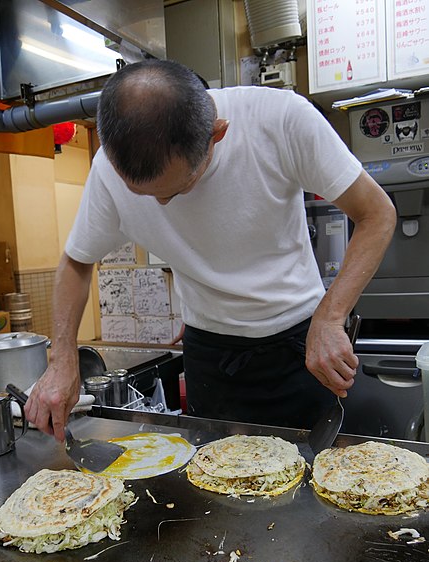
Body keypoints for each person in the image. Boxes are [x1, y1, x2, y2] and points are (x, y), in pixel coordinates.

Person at [25, 59, 396, 442]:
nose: (164, 204)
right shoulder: (106, 171)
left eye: (178, 188)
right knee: (212, 487)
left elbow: (377, 214)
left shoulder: (281, 120)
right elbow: (77, 260)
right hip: (210, 355)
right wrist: (62, 359)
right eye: (146, 196)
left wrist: (331, 318)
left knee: (313, 481)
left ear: (217, 135)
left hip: (298, 346)